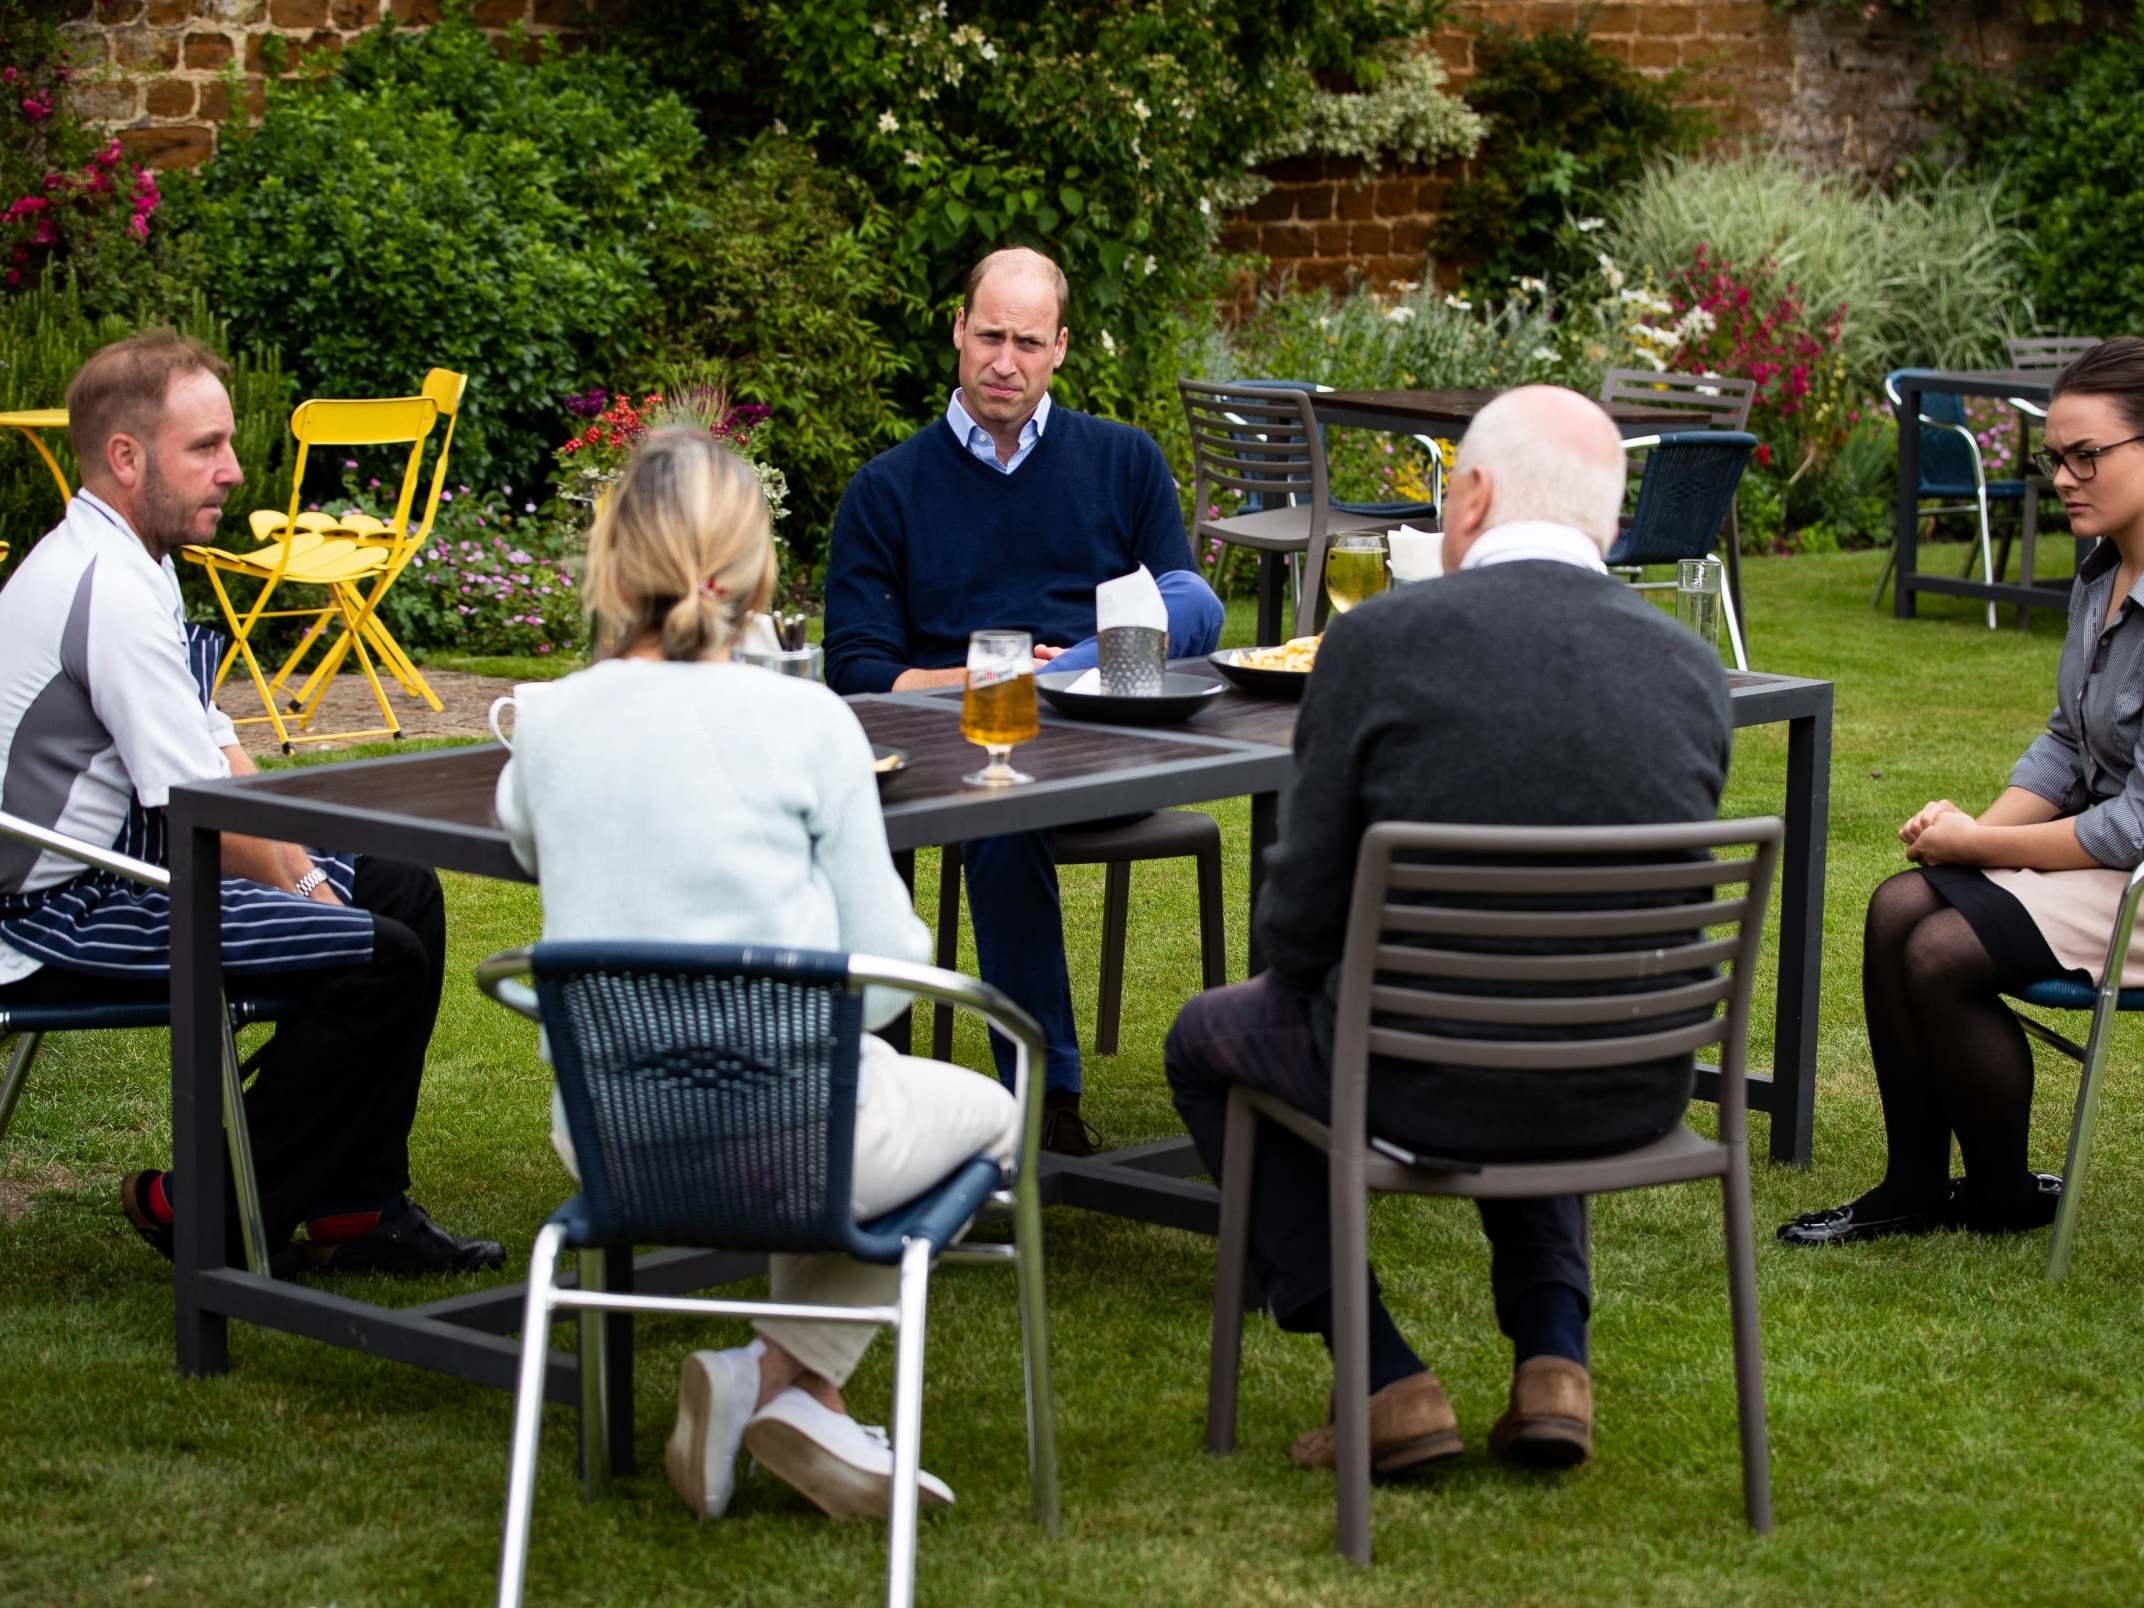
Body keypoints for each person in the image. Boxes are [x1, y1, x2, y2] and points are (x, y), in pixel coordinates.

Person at [1164, 386, 1732, 1473]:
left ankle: (1381, 1377)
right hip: (1630, 1078)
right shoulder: (1688, 668)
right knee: (1549, 984)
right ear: (1607, 523)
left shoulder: (1376, 643)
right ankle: (1553, 1360)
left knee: (1207, 1038)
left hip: (1411, 1076)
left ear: (1466, 497)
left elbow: (1296, 930)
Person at [495, 426, 1021, 1522]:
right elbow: (884, 974)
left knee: (829, 1106)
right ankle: (789, 1384)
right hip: (792, 1127)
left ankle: (777, 1385)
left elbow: (530, 839)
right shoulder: (806, 722)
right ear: (753, 572)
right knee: (985, 1109)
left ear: (614, 562)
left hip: (608, 1133)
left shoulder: (545, 725)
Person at [0, 331, 501, 1276]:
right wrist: (310, 890)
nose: (232, 471)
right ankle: (203, 1208)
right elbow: (210, 818)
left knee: (400, 886)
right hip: (57, 913)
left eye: (227, 444)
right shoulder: (105, 591)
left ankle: (358, 1210)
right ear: (125, 457)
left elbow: (219, 748)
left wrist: (318, 857)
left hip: (129, 861)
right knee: (375, 957)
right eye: (206, 449)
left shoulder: (130, 557)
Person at [822, 245, 1224, 1154]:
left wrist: (1063, 672)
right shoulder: (887, 490)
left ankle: (1048, 677)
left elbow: (1189, 615)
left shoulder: (1123, 459)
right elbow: (857, 676)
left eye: (1029, 341)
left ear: (1061, 349)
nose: (1006, 360)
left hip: (1109, 729)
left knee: (1194, 596)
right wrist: (994, 678)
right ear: (958, 332)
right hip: (969, 745)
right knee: (1001, 807)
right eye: (991, 335)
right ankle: (1048, 1097)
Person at [1779, 337, 2144, 1247]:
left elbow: (2137, 822)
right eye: (2054, 457)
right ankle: (1911, 1186)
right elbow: (2068, 744)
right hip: (2103, 865)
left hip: (2139, 879)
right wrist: (1975, 829)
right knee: (1899, 903)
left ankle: (2000, 1198)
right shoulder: (2100, 573)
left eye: (2086, 456)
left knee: (1943, 950)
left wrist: (1980, 850)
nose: (2062, 477)